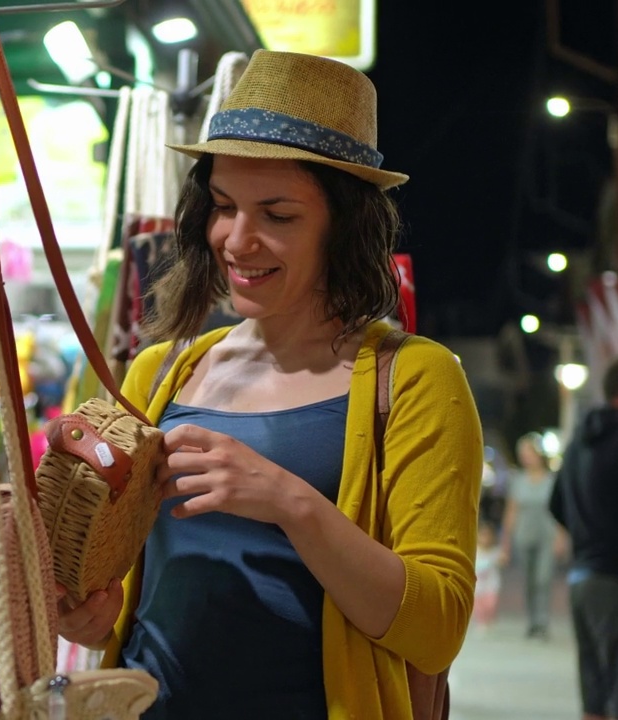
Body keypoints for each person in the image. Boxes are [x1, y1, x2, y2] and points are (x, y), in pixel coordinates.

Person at [54, 49, 483, 718]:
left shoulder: (416, 379)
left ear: (344, 226)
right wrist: (91, 616)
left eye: (278, 215)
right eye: (223, 206)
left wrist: (290, 501)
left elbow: (436, 629)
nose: (236, 238)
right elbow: (138, 592)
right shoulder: (161, 370)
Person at [550, 354, 618, 720]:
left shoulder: (580, 440)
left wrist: (591, 538)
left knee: (595, 702)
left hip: (583, 581)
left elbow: (557, 503)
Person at [500, 432, 564, 639]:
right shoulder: (518, 481)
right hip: (524, 535)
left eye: (529, 452)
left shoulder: (552, 480)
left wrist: (562, 537)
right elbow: (511, 511)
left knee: (543, 579)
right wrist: (506, 542)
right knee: (528, 579)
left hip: (547, 535)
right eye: (523, 453)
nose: (526, 457)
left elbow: (560, 510)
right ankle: (531, 621)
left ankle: (542, 621)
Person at [473, 522, 503, 635]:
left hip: (491, 585)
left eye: (488, 536)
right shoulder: (475, 551)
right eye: (482, 535)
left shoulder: (494, 552)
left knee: (491, 604)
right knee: (478, 606)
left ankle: (489, 618)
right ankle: (481, 622)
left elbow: (502, 560)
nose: (485, 539)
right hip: (478, 586)